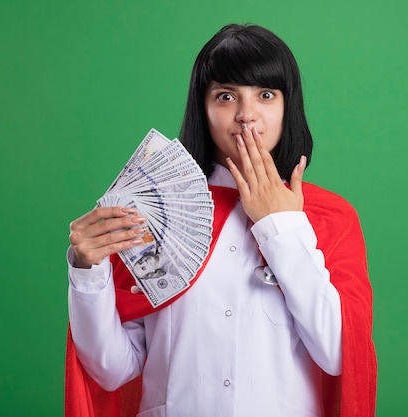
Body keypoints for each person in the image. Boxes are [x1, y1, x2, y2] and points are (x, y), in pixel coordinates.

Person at [65, 23, 377, 417]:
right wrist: (88, 272)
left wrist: (280, 225)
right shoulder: (154, 212)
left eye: (266, 94)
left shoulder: (329, 218)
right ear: (203, 107)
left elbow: (340, 355)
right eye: (226, 96)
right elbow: (114, 370)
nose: (247, 116)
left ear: (288, 106)